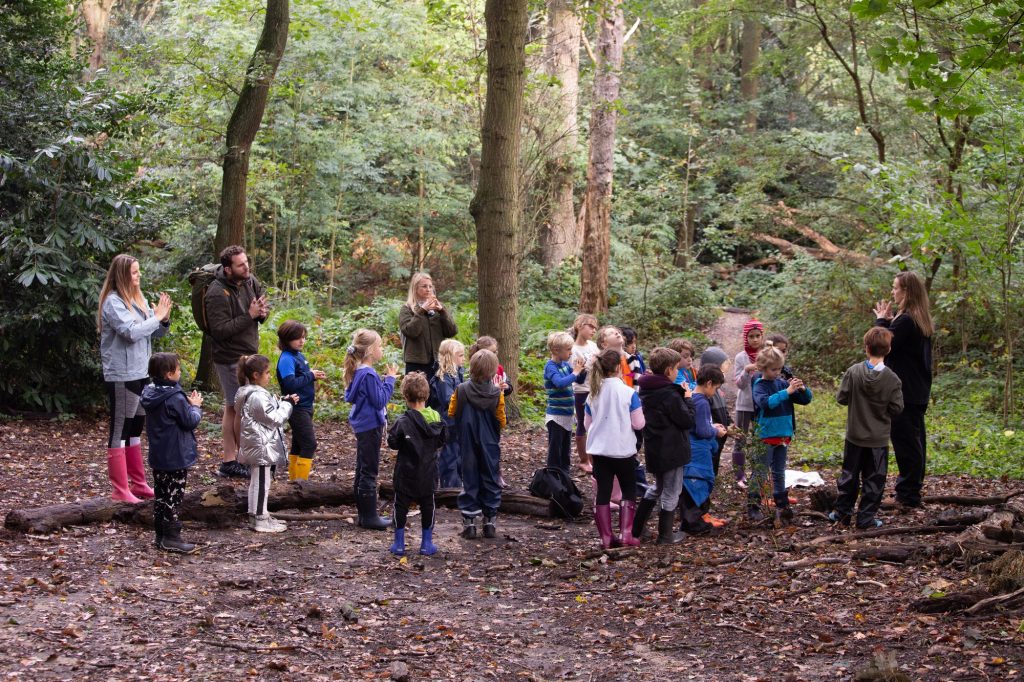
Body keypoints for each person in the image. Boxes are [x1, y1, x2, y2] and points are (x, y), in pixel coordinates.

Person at [98, 253, 172, 503]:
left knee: (135, 430)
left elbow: (153, 333)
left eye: (139, 271)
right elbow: (131, 333)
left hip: (142, 372)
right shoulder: (113, 302)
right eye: (134, 272)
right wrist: (156, 317)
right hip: (122, 374)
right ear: (122, 275)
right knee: (120, 429)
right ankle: (120, 490)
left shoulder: (137, 299)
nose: (139, 276)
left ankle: (138, 484)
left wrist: (164, 319)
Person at [204, 245, 269, 479]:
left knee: (234, 407)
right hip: (229, 357)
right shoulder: (215, 292)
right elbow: (220, 331)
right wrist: (249, 316)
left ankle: (232, 460)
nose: (247, 266)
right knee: (238, 408)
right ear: (228, 269)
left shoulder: (250, 281)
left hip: (248, 354)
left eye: (247, 262)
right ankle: (238, 460)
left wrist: (261, 313)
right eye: (241, 264)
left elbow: (261, 311)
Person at [830, 327, 904, 529]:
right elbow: (897, 408)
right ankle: (865, 518)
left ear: (866, 348)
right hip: (878, 440)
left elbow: (842, 398)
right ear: (888, 349)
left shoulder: (853, 372)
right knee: (874, 480)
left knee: (849, 475)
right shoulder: (893, 379)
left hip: (854, 436)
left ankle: (842, 513)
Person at [873, 271, 934, 508]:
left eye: (895, 287)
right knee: (915, 441)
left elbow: (881, 347)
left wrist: (881, 321)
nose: (892, 291)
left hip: (904, 392)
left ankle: (907, 495)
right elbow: (899, 345)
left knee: (907, 443)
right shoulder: (915, 318)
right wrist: (889, 322)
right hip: (915, 389)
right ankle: (910, 491)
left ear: (907, 291)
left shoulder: (907, 320)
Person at [140, 353, 202, 553]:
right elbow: (189, 421)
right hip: (176, 456)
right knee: (173, 496)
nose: (181, 372)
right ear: (168, 374)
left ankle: (161, 535)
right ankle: (172, 537)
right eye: (178, 369)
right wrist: (196, 408)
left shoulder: (150, 392)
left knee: (161, 494)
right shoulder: (174, 397)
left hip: (159, 455)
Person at [585, 349, 646, 549]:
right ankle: (626, 534)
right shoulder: (629, 393)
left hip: (599, 451)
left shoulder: (592, 393)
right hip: (623, 450)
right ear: (620, 367)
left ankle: (605, 537)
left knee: (603, 491)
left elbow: (587, 425)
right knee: (628, 488)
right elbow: (638, 424)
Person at [633, 347, 694, 545]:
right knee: (671, 490)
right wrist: (689, 399)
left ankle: (637, 528)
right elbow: (686, 421)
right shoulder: (670, 394)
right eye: (676, 368)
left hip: (655, 448)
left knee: (658, 487)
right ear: (668, 370)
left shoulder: (646, 390)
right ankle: (665, 536)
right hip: (673, 450)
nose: (678, 372)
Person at [748, 346, 813, 523]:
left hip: (783, 435)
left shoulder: (783, 383)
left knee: (779, 471)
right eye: (773, 369)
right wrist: (787, 392)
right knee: (761, 472)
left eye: (779, 369)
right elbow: (766, 403)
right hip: (766, 436)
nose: (777, 373)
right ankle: (753, 505)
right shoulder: (759, 385)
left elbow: (806, 400)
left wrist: (801, 388)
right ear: (762, 368)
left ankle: (781, 503)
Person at [234, 354, 298, 533]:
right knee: (262, 483)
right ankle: (260, 518)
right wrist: (288, 405)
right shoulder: (257, 396)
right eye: (267, 373)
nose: (270, 376)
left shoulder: (249, 393)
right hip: (261, 446)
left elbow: (263, 413)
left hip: (258, 444)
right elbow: (274, 419)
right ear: (256, 375)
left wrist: (280, 401)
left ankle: (258, 514)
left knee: (258, 481)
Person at [449, 349, 506, 539]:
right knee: (490, 477)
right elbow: (502, 420)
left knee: (469, 478)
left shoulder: (461, 389)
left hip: (467, 442)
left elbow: (452, 411)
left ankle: (469, 523)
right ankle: (490, 521)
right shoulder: (497, 393)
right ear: (492, 372)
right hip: (490, 443)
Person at [387, 372, 447, 556]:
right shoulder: (436, 418)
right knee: (428, 505)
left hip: (406, 472)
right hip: (428, 471)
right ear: (427, 394)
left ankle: (399, 543)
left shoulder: (403, 421)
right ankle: (426, 543)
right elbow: (442, 439)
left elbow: (393, 443)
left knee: (401, 506)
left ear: (405, 396)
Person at [344, 328, 397, 530]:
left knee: (362, 467)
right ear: (370, 351)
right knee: (369, 470)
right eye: (380, 346)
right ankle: (369, 517)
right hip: (370, 425)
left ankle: (365, 515)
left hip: (364, 425)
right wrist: (390, 380)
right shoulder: (368, 374)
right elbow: (379, 401)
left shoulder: (360, 372)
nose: (382, 349)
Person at [276, 320, 326, 482]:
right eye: (298, 338)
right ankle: (301, 485)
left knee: (298, 444)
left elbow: (300, 377)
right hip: (296, 408)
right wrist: (310, 376)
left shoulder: (298, 355)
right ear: (286, 339)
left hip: (305, 406)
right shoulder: (286, 359)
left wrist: (311, 374)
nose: (302, 341)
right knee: (309, 444)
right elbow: (290, 384)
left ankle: (293, 482)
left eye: (304, 337)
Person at [681, 365, 728, 535]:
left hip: (693, 452)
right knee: (697, 484)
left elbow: (699, 424)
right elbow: (701, 431)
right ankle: (694, 524)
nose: (715, 392)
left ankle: (702, 517)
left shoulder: (693, 397)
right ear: (709, 383)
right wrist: (717, 431)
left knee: (696, 485)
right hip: (697, 454)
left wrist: (711, 425)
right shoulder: (701, 402)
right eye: (716, 388)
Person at [696, 346, 733, 528]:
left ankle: (705, 511)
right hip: (709, 442)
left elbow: (724, 411)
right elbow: (705, 422)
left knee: (712, 475)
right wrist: (716, 430)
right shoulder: (705, 396)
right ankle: (700, 513)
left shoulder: (717, 391)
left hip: (718, 440)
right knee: (704, 477)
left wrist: (730, 424)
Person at [399, 272, 457, 376]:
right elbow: (411, 331)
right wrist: (422, 311)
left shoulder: (439, 308)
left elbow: (452, 331)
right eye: (424, 286)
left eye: (430, 286)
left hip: (438, 361)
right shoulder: (407, 308)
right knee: (417, 392)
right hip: (416, 364)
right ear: (415, 288)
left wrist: (443, 311)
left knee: (437, 392)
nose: (428, 289)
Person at [544, 331, 584, 473]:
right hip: (556, 416)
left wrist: (582, 370)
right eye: (568, 350)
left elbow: (578, 380)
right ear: (556, 350)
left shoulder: (565, 365)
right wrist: (575, 373)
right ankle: (553, 475)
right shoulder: (550, 366)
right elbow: (560, 383)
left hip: (567, 415)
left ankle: (564, 475)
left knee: (566, 449)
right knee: (556, 449)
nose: (571, 353)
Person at [732, 319, 765, 488]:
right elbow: (738, 384)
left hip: (762, 406)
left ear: (762, 336)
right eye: (751, 336)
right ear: (746, 337)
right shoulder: (741, 357)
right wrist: (746, 371)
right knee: (740, 440)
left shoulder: (767, 355)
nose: (754, 339)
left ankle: (758, 474)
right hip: (744, 405)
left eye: (757, 336)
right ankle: (739, 475)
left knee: (760, 440)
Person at [429, 339, 466, 488]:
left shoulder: (457, 374)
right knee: (449, 454)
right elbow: (448, 400)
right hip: (448, 422)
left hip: (457, 420)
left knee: (458, 453)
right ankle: (449, 486)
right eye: (461, 355)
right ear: (451, 357)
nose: (464, 358)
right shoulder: (443, 377)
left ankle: (456, 484)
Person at [569, 314, 600, 473]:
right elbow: (578, 377)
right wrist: (590, 363)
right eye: (590, 326)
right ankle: (584, 460)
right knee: (582, 423)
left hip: (595, 389)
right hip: (581, 391)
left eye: (595, 327)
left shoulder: (594, 346)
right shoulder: (572, 350)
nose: (593, 330)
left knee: (596, 424)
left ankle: (595, 458)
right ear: (579, 326)